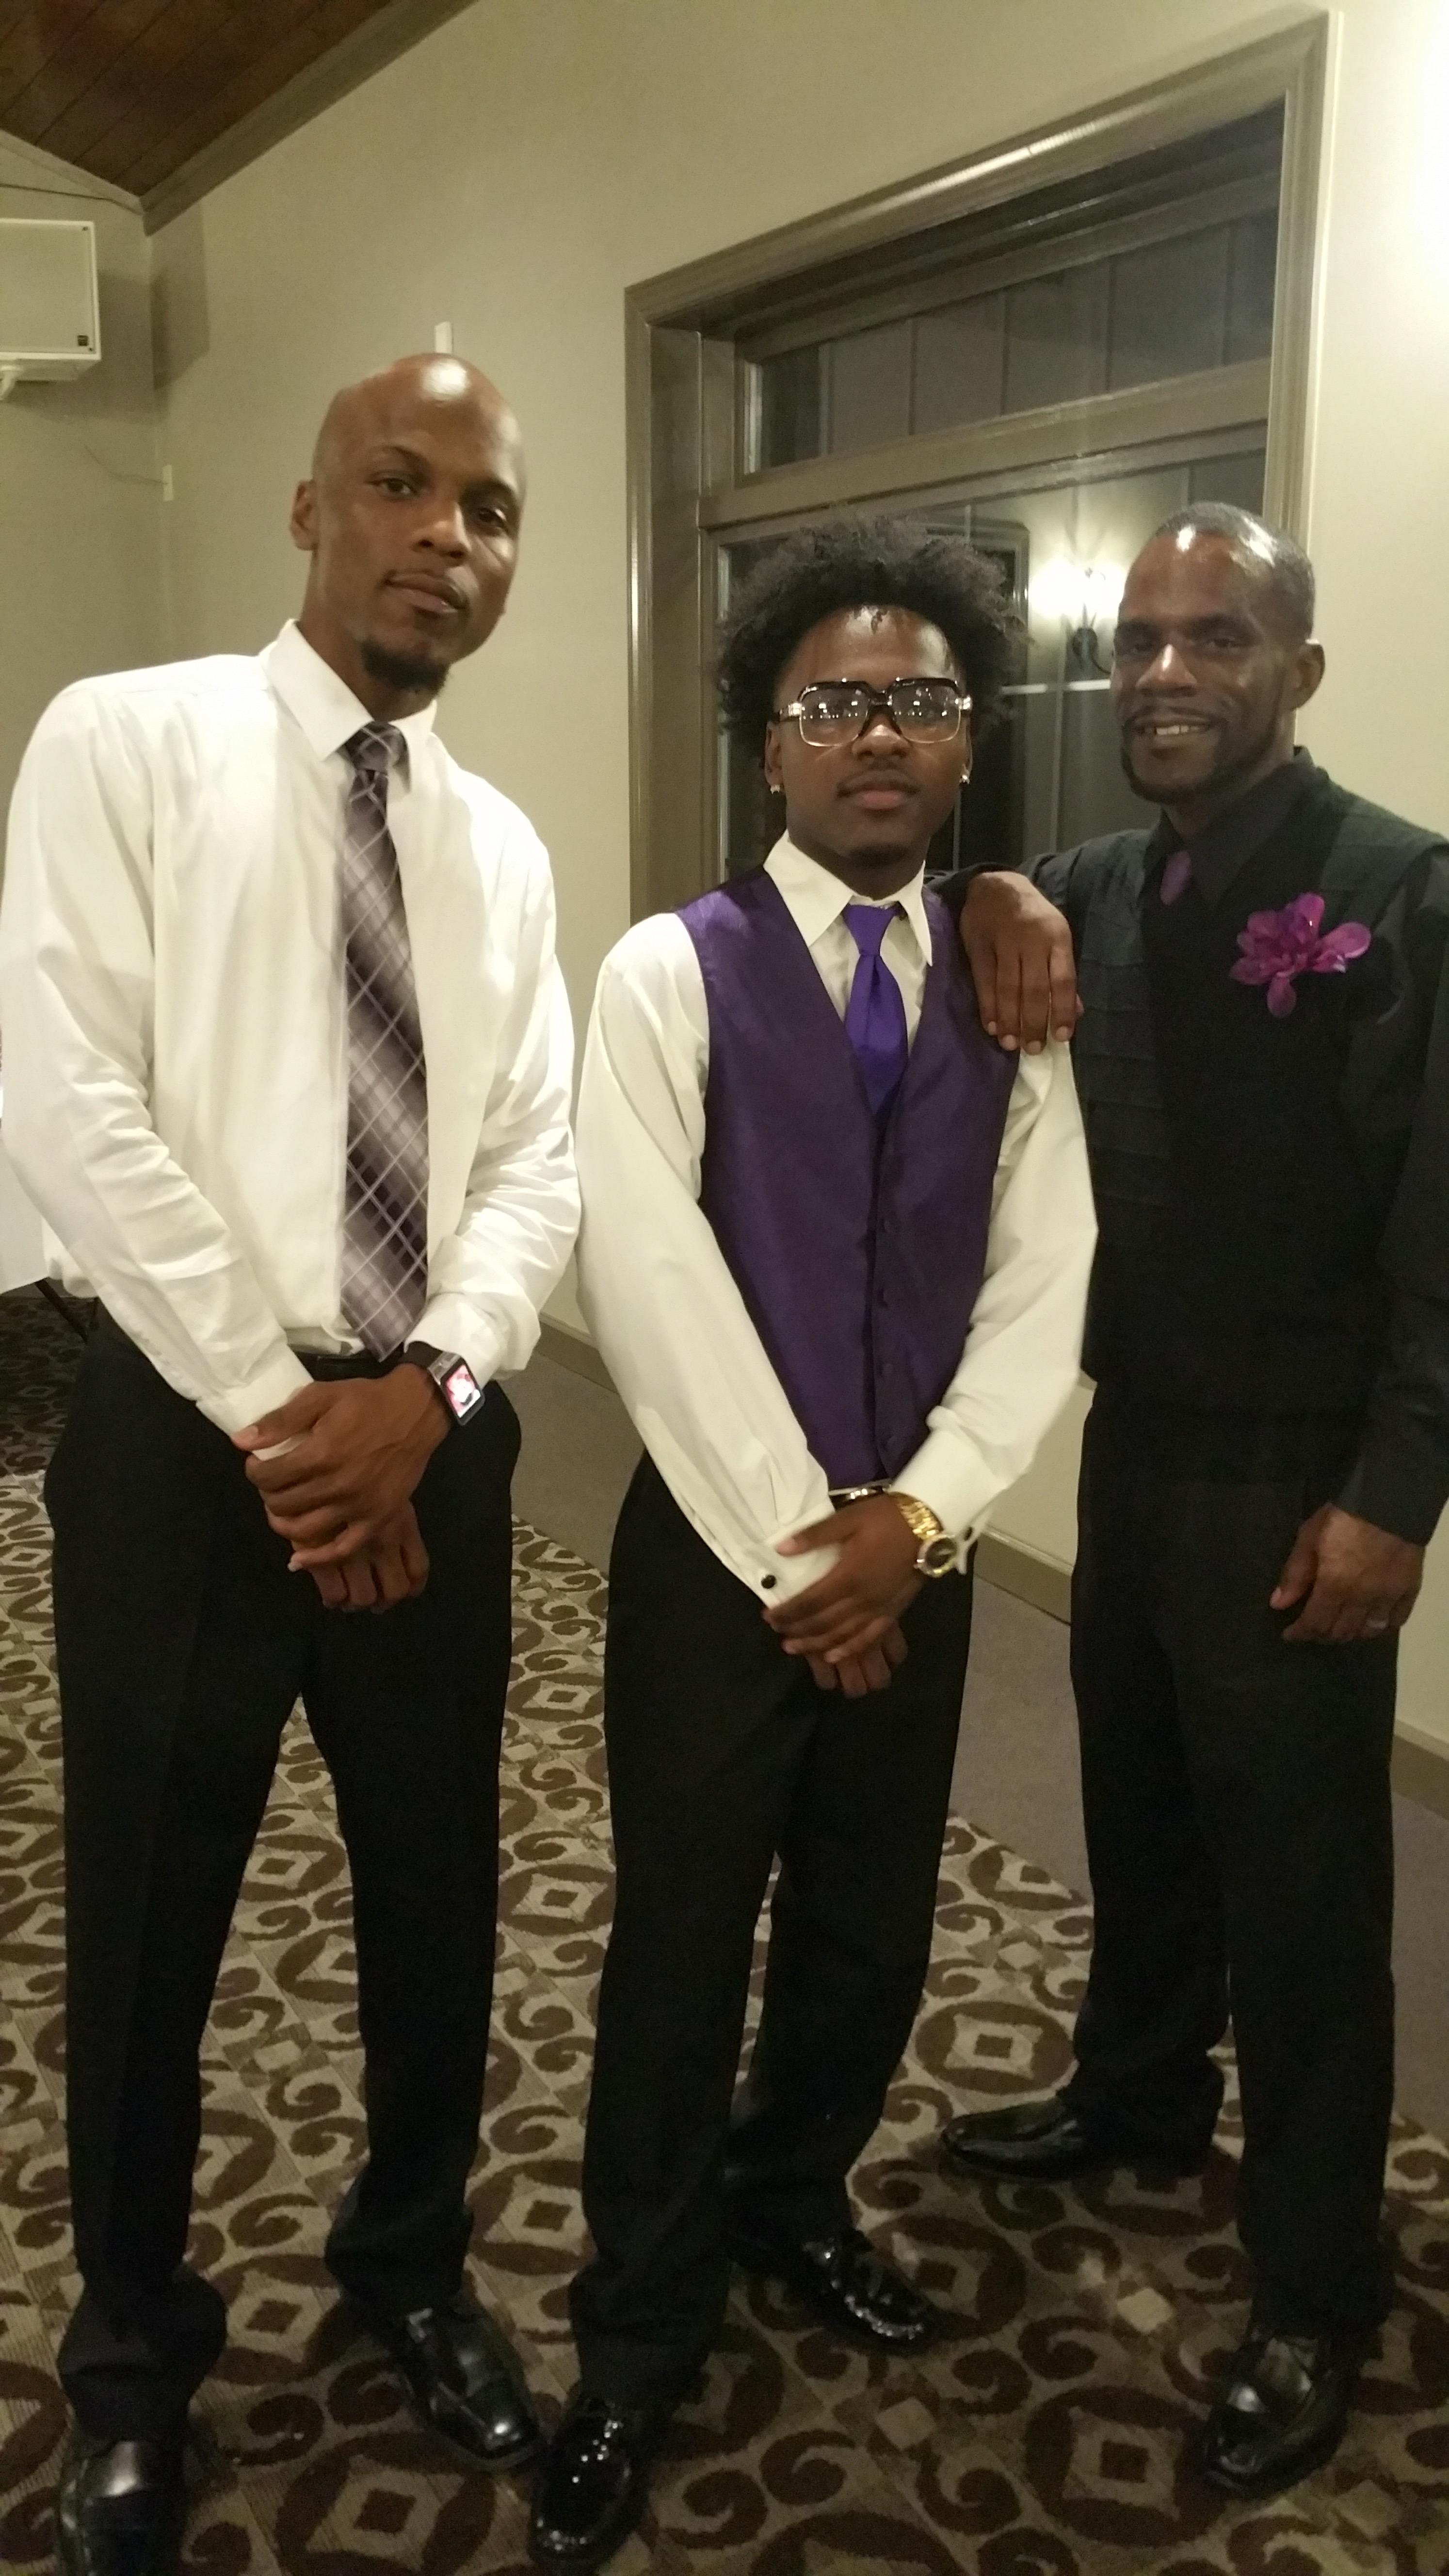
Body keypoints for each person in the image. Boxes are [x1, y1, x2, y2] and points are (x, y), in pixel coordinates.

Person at [0, 355, 579, 2576]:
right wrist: (281, 1411)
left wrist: (427, 1392)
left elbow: (529, 1160)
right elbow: (70, 1101)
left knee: (440, 1886)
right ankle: (133, 2356)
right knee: (150, 1911)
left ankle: (411, 2261)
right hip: (183, 1432)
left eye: (489, 507)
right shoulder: (124, 741)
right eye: (402, 485)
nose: (447, 532)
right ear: (310, 506)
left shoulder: (499, 847)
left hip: (428, 1421)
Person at [528, 518, 1096, 2572]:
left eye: (919, 702)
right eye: (834, 703)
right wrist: (807, 1545)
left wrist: (919, 1519)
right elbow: (646, 1270)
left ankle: (797, 2196)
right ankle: (636, 2325)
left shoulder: (1011, 988)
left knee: (871, 1924)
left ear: (968, 744)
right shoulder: (667, 969)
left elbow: (1044, 1271)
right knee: (683, 1943)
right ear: (767, 742)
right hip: (715, 1551)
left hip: (917, 1553)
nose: (878, 734)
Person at [939, 502, 1449, 2500]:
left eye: (1214, 637)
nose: (1162, 671)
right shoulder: (1092, 882)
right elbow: (966, 904)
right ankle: (1137, 2095)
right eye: (1139, 637)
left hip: (1306, 1477)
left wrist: (1396, 1493)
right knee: (1139, 1809)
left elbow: (1447, 1232)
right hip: (1139, 1443)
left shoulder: (1400, 894)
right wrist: (991, 878)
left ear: (1296, 669)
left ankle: (1315, 2280)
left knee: (1307, 1899)